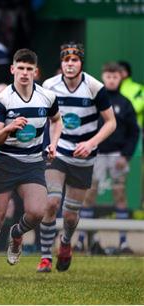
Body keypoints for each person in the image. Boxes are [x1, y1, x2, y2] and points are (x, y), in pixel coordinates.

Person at [0, 49, 62, 280]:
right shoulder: (3, 101)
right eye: (20, 68)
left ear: (36, 72)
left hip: (33, 162)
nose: (24, 73)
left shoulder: (47, 97)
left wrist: (53, 144)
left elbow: (57, 120)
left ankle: (17, 233)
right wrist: (8, 129)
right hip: (5, 162)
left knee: (36, 212)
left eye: (28, 69)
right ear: (12, 69)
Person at [37, 43, 116, 273]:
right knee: (51, 202)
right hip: (58, 151)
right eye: (66, 60)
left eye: (74, 60)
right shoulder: (50, 86)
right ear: (61, 64)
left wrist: (91, 143)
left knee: (71, 216)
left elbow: (111, 122)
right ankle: (45, 258)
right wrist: (47, 144)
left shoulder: (94, 86)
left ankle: (65, 243)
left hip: (83, 154)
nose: (70, 64)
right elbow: (43, 118)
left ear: (81, 63)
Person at [82, 62, 139, 254]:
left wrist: (126, 155)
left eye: (115, 76)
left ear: (120, 78)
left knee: (120, 196)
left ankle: (123, 242)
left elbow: (134, 132)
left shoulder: (125, 103)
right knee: (88, 195)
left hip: (117, 156)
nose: (112, 80)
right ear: (103, 77)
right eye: (108, 76)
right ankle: (81, 241)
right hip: (95, 154)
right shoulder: (94, 100)